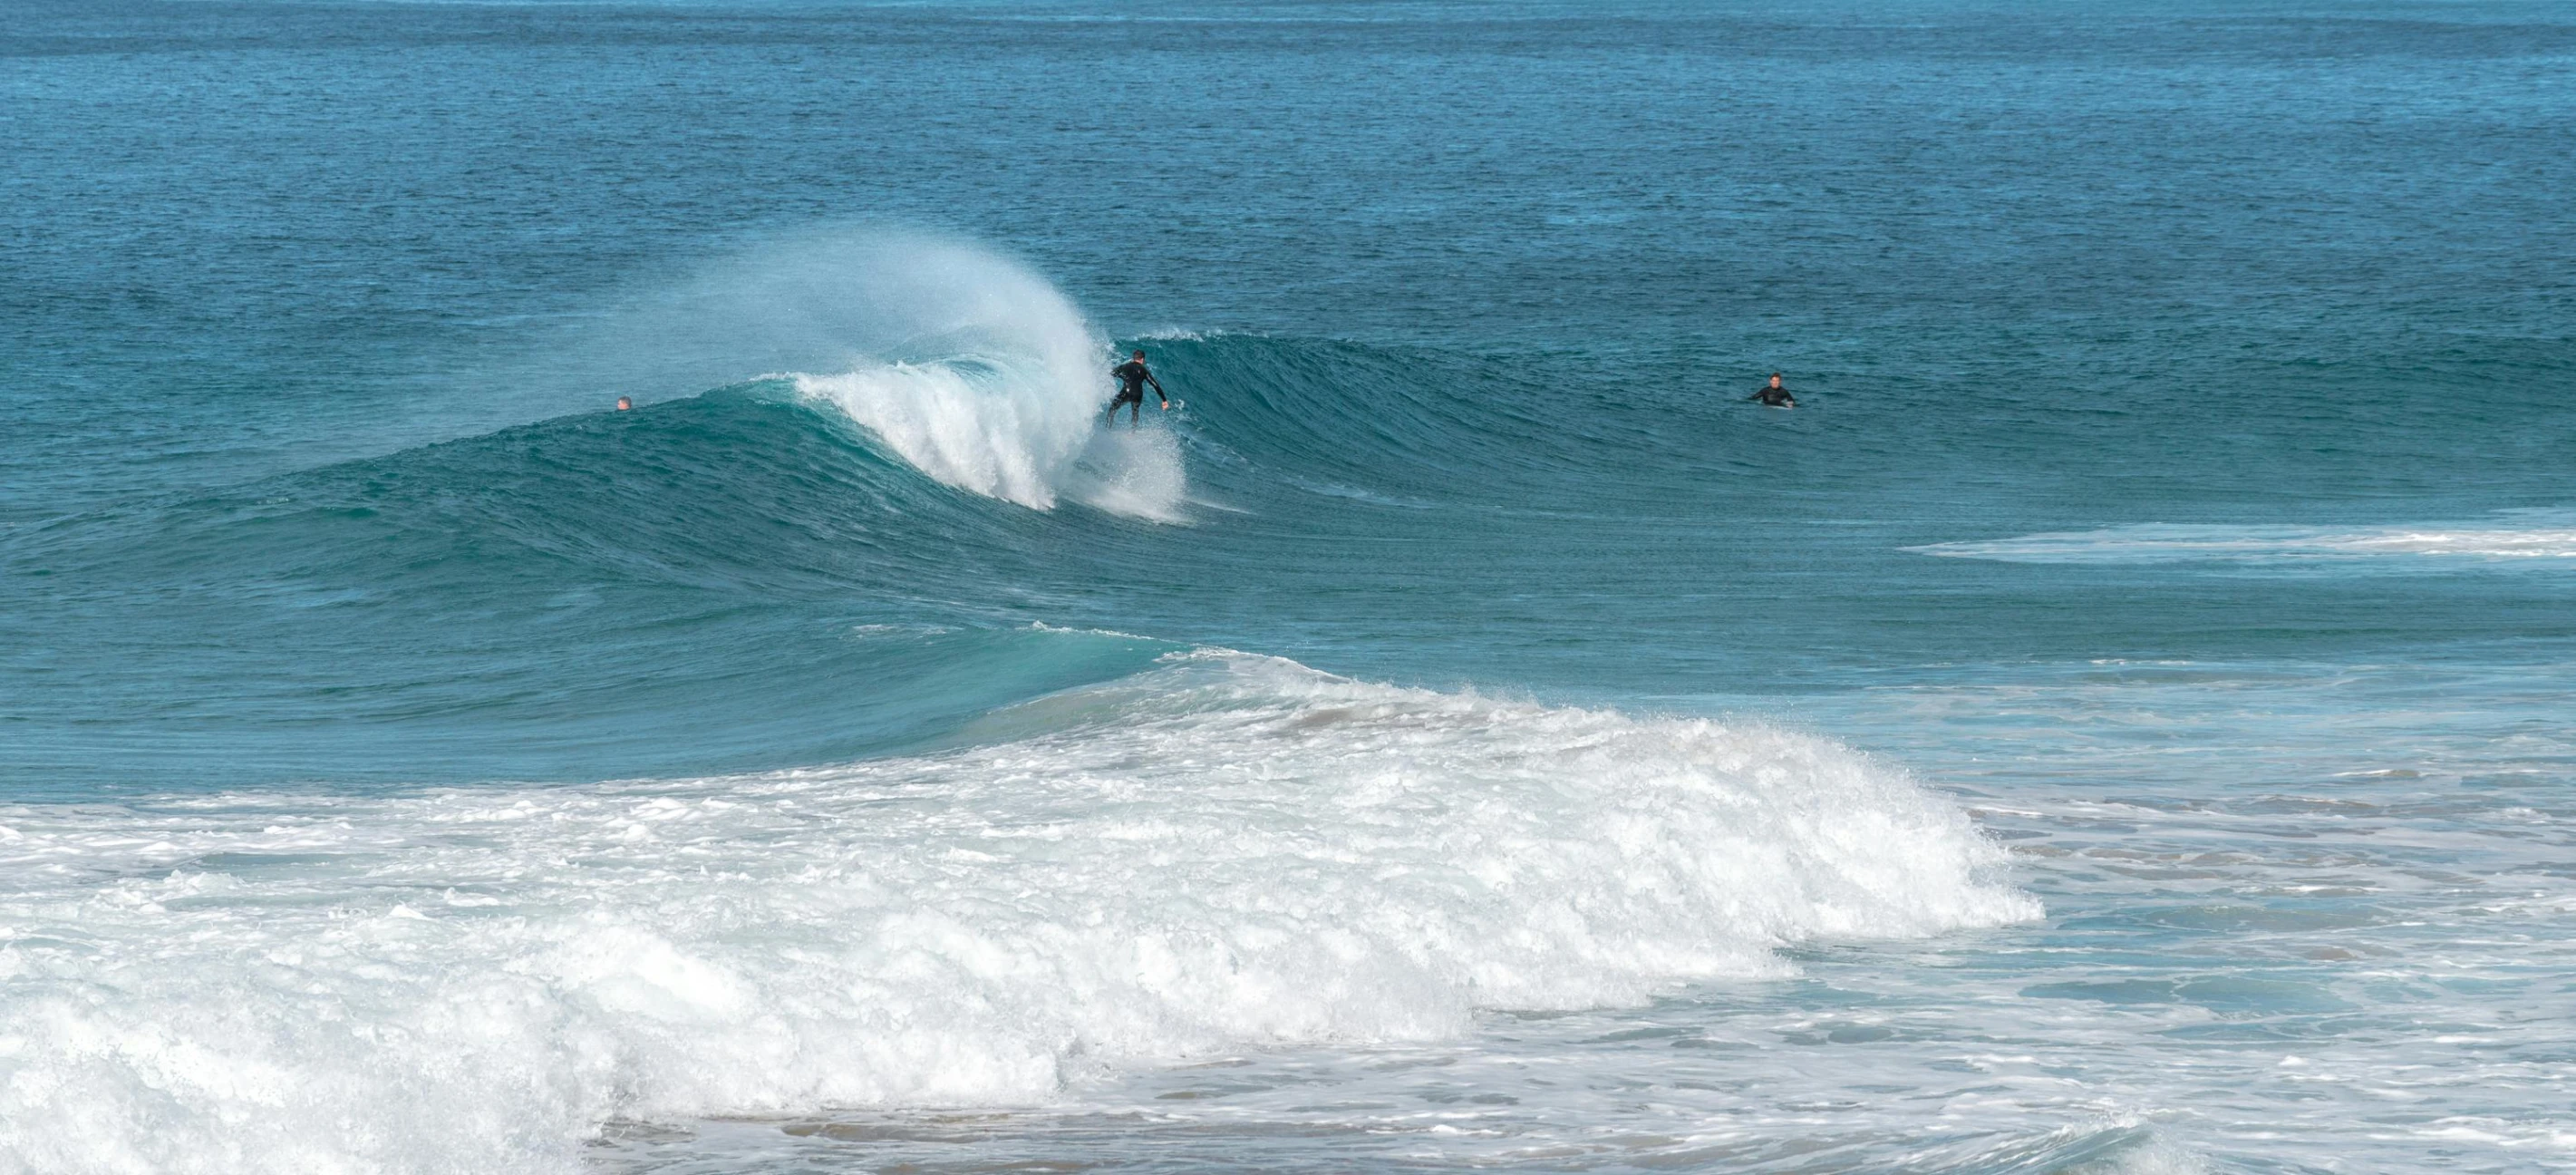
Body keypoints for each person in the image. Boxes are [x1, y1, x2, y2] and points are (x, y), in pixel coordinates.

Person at [1107, 349, 1169, 428]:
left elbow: (1111, 374)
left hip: (1126, 392)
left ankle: (1108, 428)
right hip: (1138, 395)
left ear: (1133, 358)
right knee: (1135, 412)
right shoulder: (1144, 370)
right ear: (1142, 359)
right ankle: (1133, 432)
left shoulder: (1124, 366)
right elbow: (1155, 385)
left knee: (1112, 410)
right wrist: (1164, 400)